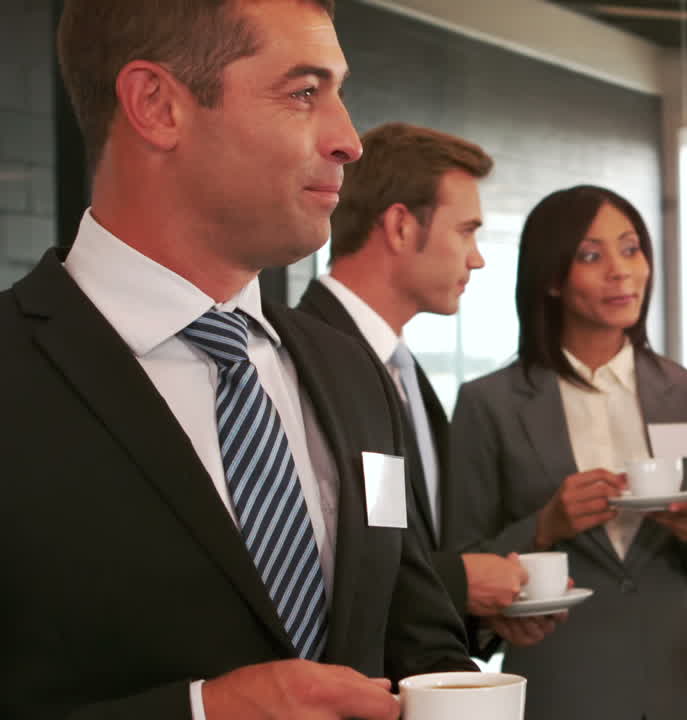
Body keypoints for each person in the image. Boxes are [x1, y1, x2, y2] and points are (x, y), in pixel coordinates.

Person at [0, 2, 475, 718]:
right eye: (305, 93)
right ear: (157, 106)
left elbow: (413, 637)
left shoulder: (351, 373)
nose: (349, 140)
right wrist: (202, 712)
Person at [445, 185, 687, 720]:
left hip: (681, 676)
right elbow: (459, 563)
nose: (622, 271)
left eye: (631, 248)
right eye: (591, 256)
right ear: (552, 279)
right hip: (563, 677)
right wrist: (545, 525)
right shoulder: (490, 404)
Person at [297, 121, 561, 647]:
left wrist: (482, 613)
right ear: (399, 227)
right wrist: (463, 582)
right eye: (466, 231)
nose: (478, 256)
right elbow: (310, 564)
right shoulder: (301, 360)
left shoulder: (403, 370)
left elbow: (407, 551)